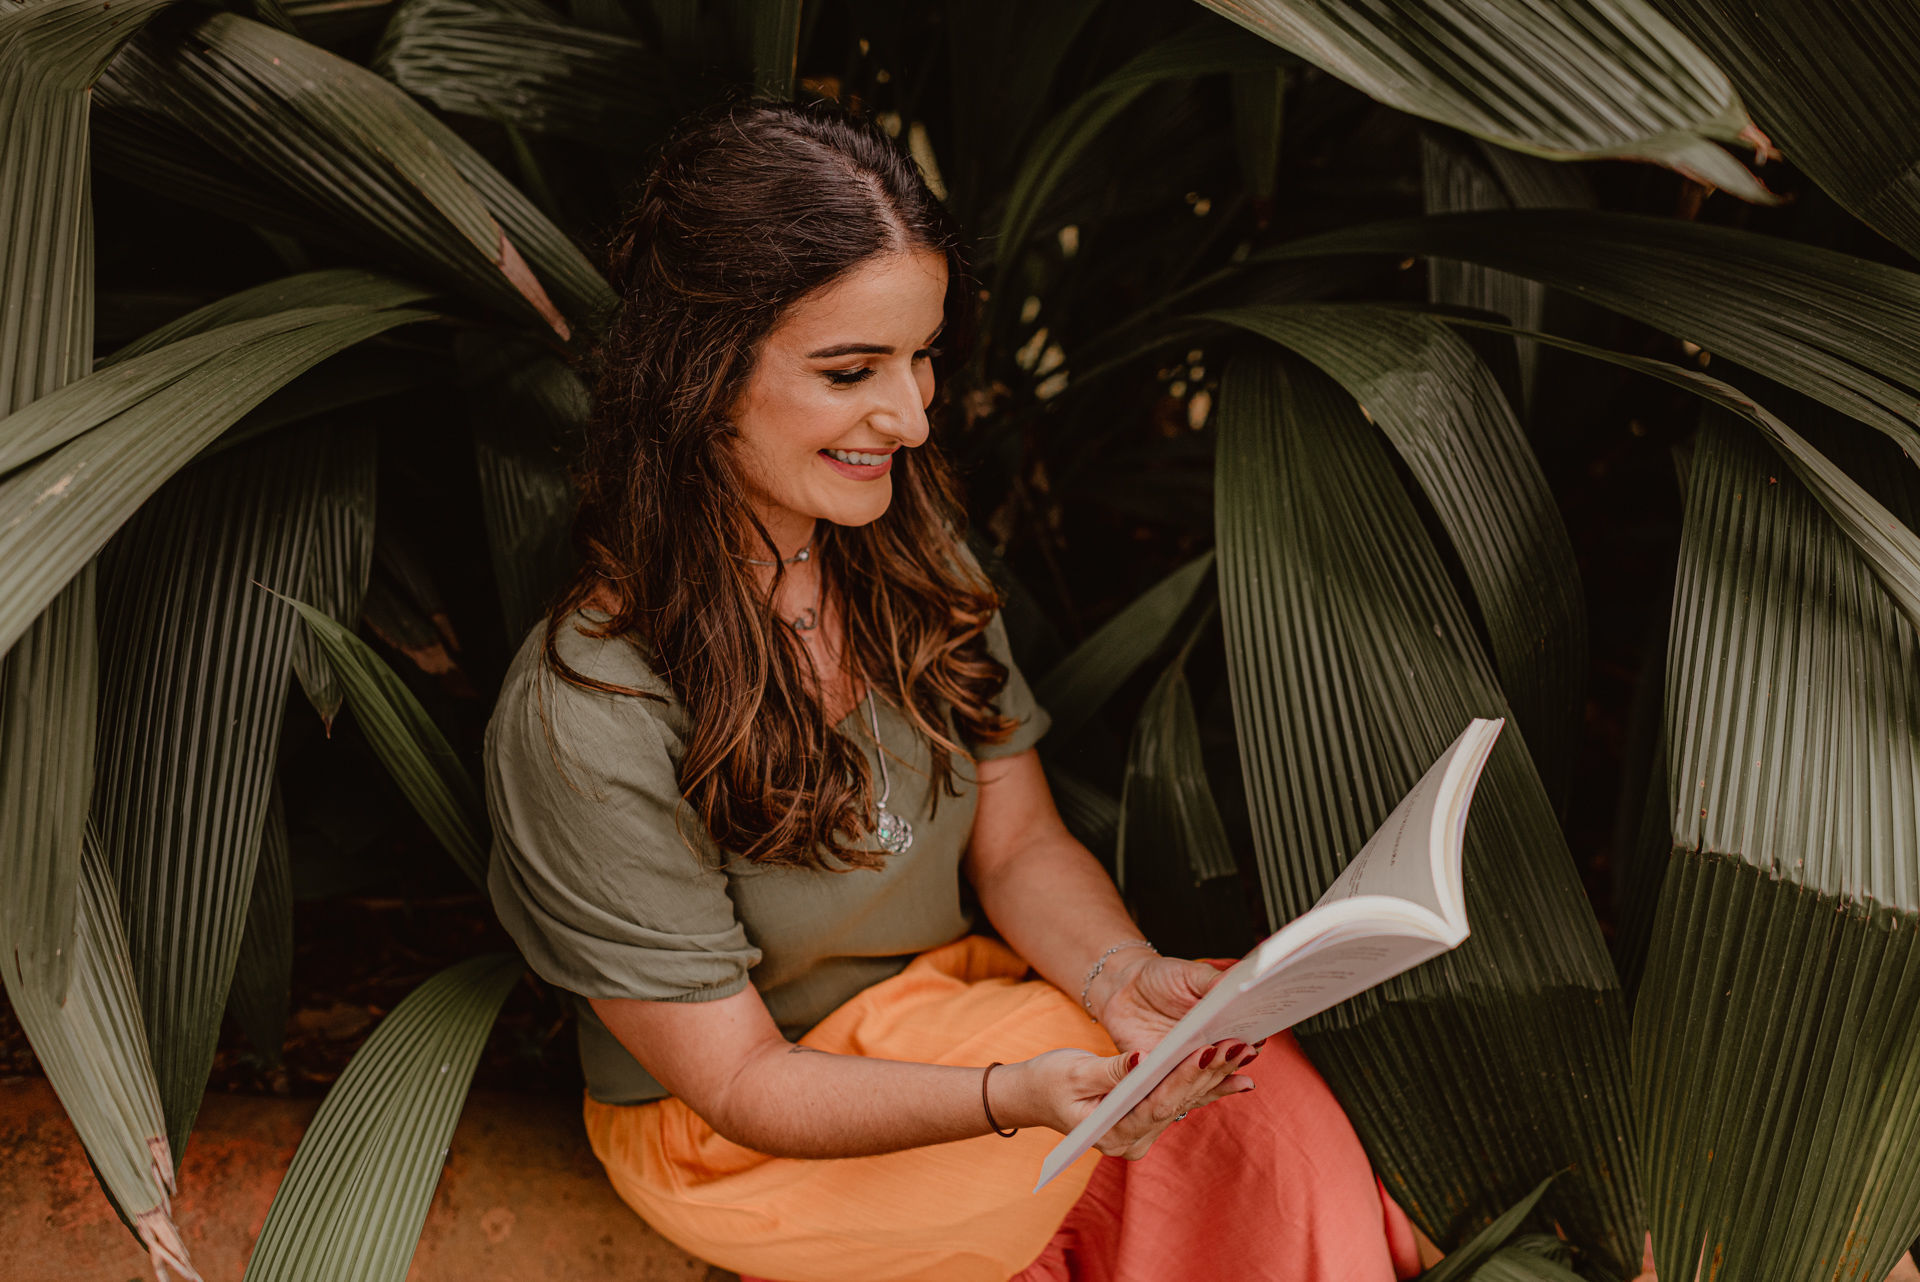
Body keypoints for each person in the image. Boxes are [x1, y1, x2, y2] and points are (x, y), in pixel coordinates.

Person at [482, 96, 1422, 1282]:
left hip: (970, 1017)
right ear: (699, 372)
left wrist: (1122, 980)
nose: (913, 414)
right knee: (1162, 1161)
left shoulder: (908, 559)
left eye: (921, 355)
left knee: (1255, 1113)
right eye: (850, 369)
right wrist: (1013, 1096)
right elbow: (740, 1080)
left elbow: (1019, 843)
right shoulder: (589, 709)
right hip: (747, 1129)